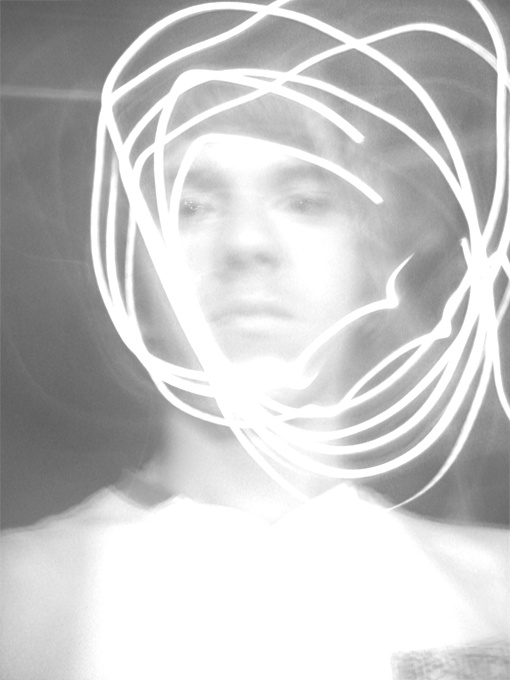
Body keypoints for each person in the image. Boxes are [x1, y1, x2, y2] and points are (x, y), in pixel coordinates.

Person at [2, 0, 509, 678]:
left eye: (304, 201)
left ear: (374, 255)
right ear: (132, 263)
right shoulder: (20, 606)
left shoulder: (495, 605)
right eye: (192, 205)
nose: (246, 243)